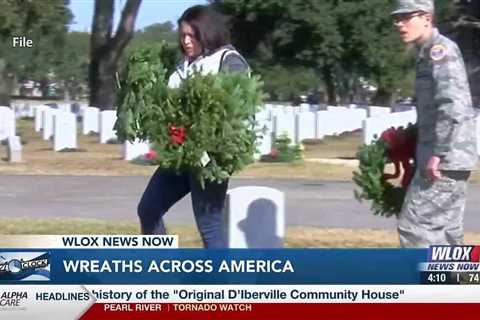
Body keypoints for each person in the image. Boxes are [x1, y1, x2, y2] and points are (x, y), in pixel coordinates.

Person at [137, 5, 249, 248]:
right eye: (182, 36)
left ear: (206, 32)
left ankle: (218, 284)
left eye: (192, 35)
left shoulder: (228, 61)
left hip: (209, 160)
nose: (186, 41)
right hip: (179, 156)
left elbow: (236, 111)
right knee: (148, 209)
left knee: (209, 226)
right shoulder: (184, 64)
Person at [391, 0, 477, 247]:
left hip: (444, 158)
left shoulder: (440, 51)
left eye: (406, 17)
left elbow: (452, 106)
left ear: (427, 18)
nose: (399, 23)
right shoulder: (427, 52)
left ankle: (430, 284)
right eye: (397, 19)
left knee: (415, 226)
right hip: (449, 156)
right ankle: (455, 283)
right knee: (446, 231)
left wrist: (438, 154)